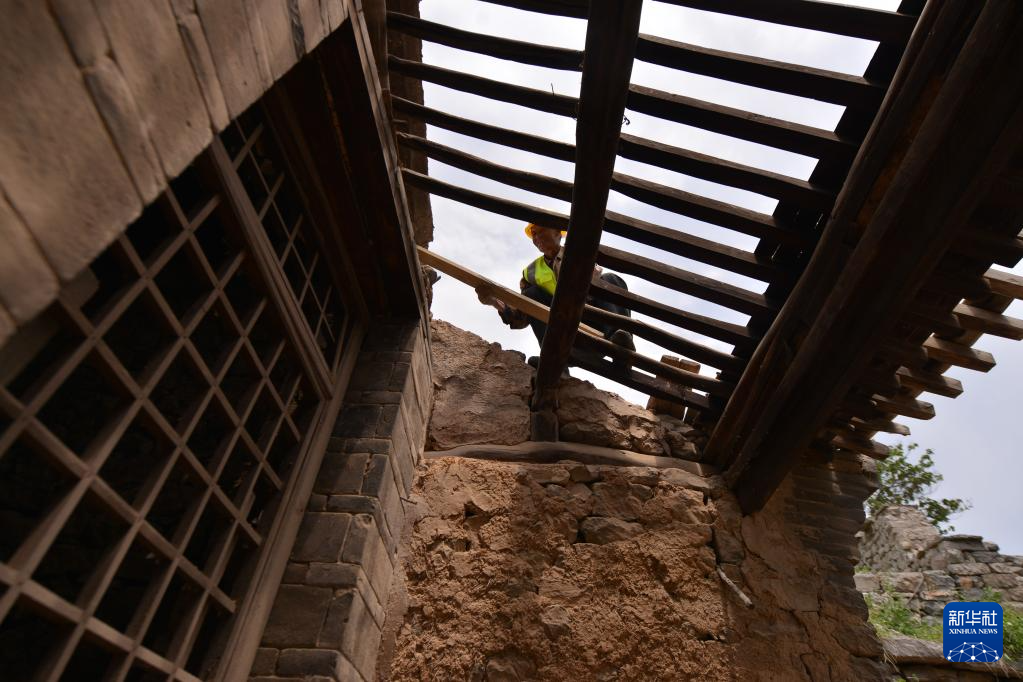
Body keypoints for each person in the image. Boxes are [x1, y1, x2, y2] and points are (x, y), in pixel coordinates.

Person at [481, 223, 635, 368]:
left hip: (597, 327)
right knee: (531, 294)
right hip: (567, 339)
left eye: (540, 230)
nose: (536, 237)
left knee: (611, 279)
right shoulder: (531, 272)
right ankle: (552, 360)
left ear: (557, 233)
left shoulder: (578, 253)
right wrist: (495, 303)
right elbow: (522, 315)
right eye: (533, 234)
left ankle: (621, 349)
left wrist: (593, 282)